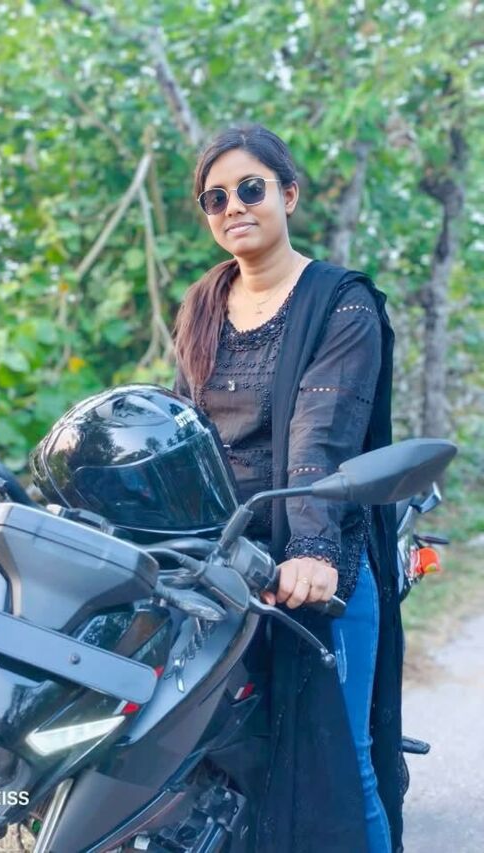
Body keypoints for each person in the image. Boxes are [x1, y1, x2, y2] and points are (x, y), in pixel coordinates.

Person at [172, 124, 404, 853]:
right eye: (216, 198)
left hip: (320, 563)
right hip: (222, 563)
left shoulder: (342, 303)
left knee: (341, 768)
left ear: (289, 195)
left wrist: (311, 550)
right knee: (218, 763)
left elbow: (322, 433)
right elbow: (180, 429)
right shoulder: (202, 303)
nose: (234, 207)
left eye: (251, 188)